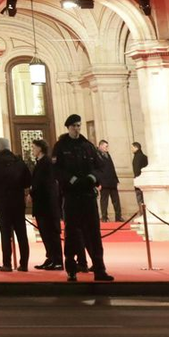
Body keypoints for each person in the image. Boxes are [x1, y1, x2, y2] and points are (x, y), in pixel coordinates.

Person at [53, 114, 113, 282]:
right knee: (72, 233)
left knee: (94, 233)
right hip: (72, 196)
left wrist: (92, 178)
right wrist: (71, 180)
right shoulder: (61, 146)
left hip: (88, 195)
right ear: (68, 128)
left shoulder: (88, 146)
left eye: (78, 125)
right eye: (74, 126)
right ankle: (72, 269)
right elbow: (57, 170)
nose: (77, 128)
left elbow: (100, 167)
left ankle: (99, 269)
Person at [0, 138, 31, 272]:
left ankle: (7, 264)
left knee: (5, 235)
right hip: (18, 203)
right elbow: (27, 181)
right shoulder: (19, 162)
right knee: (21, 234)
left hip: (2, 203)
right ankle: (24, 264)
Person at [30, 138, 63, 270]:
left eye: (34, 147)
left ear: (40, 148)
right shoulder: (40, 162)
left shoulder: (47, 163)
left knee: (51, 234)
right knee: (45, 234)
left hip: (47, 206)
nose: (32, 150)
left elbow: (47, 185)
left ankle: (57, 260)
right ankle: (50, 258)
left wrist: (32, 192)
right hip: (42, 205)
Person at [96, 139, 122, 222]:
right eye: (106, 146)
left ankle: (118, 216)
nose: (107, 148)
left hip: (112, 182)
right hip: (103, 182)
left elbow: (112, 168)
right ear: (100, 146)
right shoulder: (97, 155)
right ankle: (104, 217)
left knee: (116, 200)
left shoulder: (108, 155)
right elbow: (96, 171)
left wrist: (116, 179)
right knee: (104, 201)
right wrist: (98, 183)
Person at [131, 141, 148, 206]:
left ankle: (142, 211)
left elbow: (136, 170)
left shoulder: (137, 158)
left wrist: (136, 180)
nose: (131, 149)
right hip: (145, 180)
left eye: (132, 147)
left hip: (139, 181)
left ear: (136, 148)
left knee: (140, 199)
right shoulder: (144, 157)